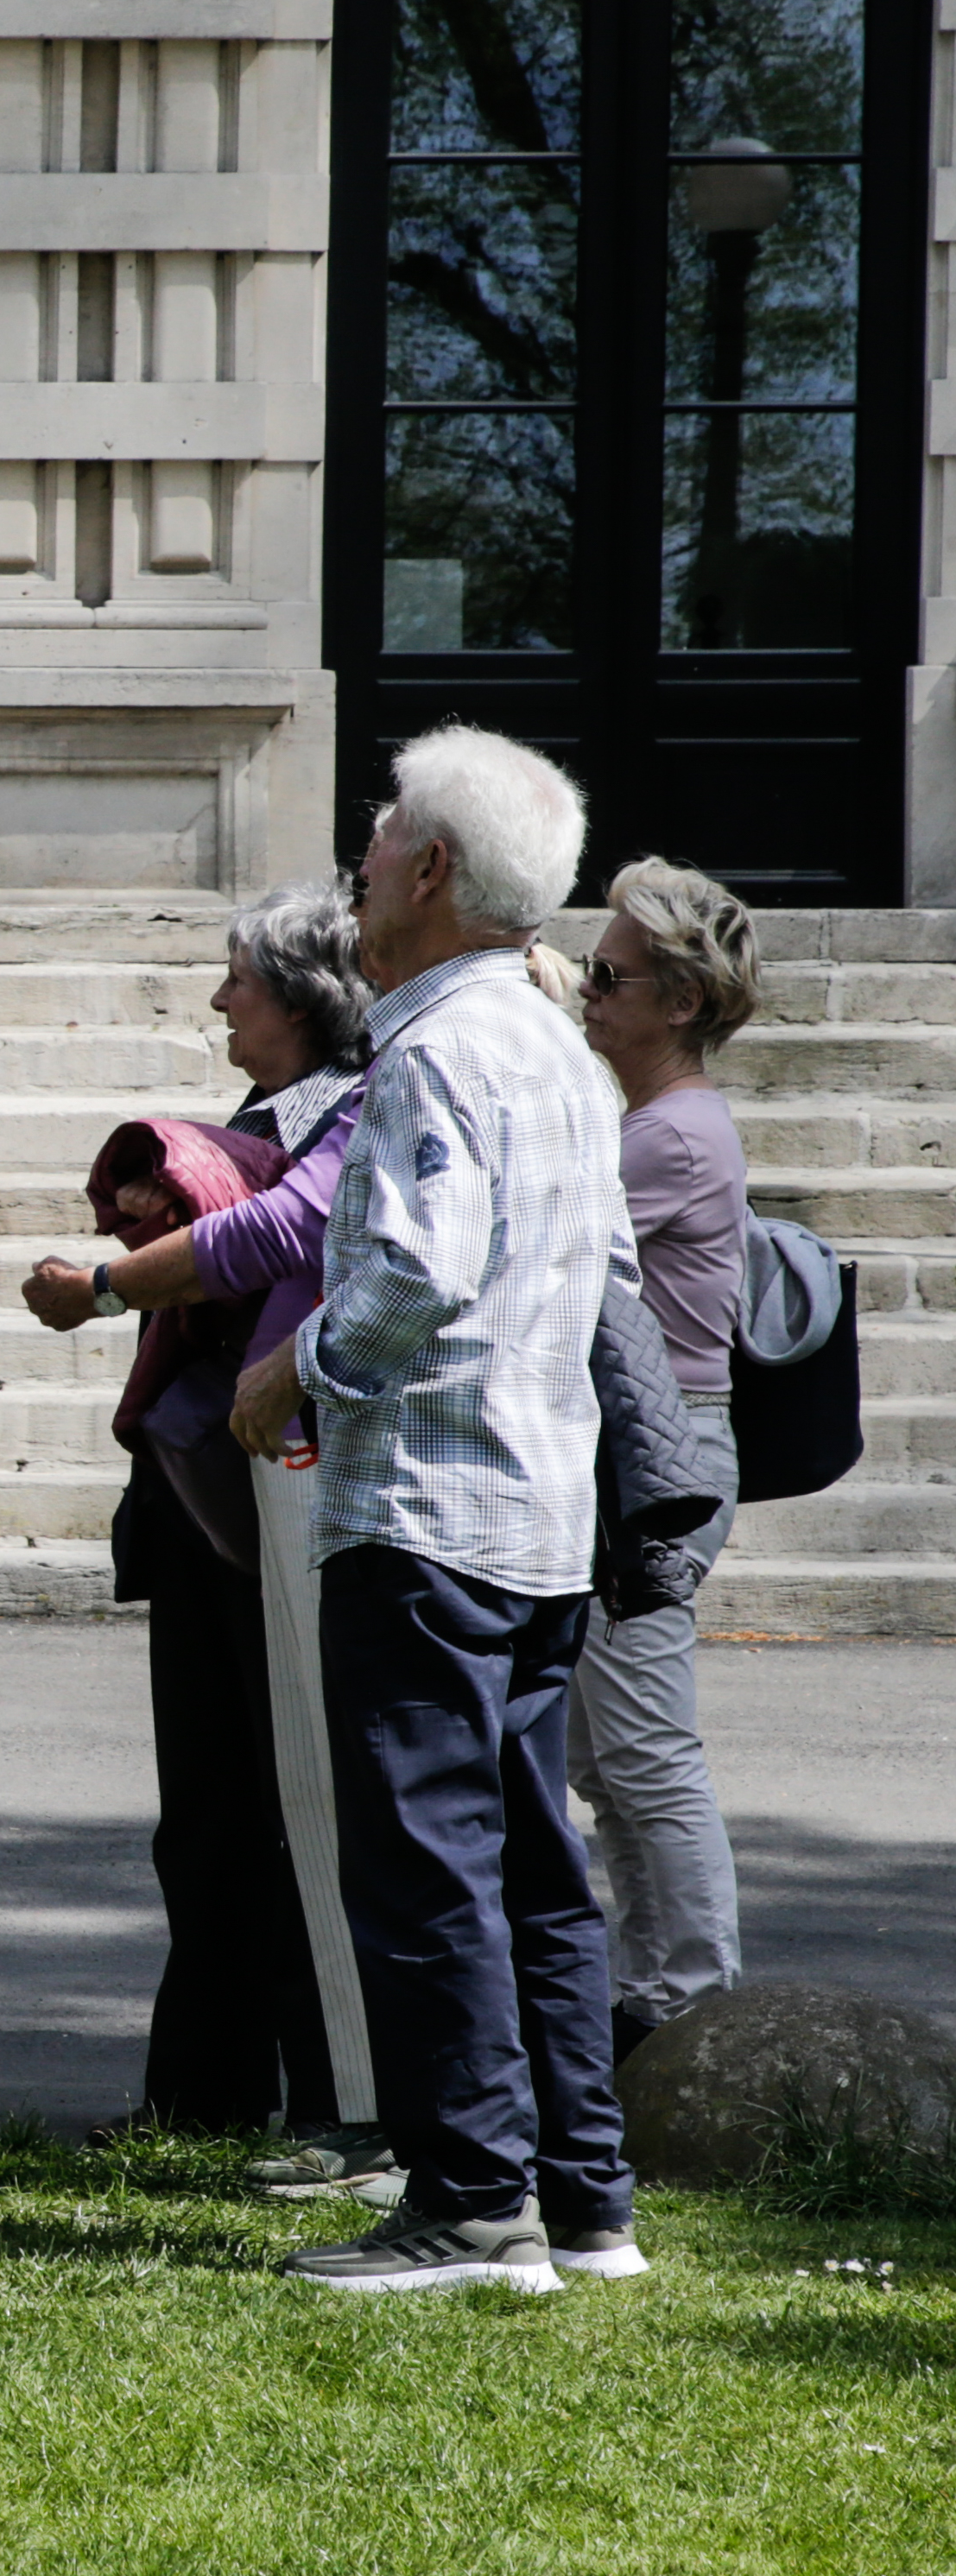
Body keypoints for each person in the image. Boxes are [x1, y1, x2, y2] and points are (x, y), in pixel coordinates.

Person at [231, 725, 642, 2293]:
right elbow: (598, 1282)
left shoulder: (439, 1046)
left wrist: (291, 1375)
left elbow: (406, 1271)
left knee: (422, 1863)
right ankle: (580, 2197)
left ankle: (470, 2205)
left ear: (433, 872)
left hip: (421, 1507)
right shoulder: (553, 1047)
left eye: (383, 825)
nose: (362, 849)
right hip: (538, 1512)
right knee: (533, 1858)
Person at [17, 881, 377, 2150]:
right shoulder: (259, 1113)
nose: (219, 998)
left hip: (283, 1490)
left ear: (296, 995)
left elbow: (279, 1235)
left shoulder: (360, 1104)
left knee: (284, 1805)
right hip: (206, 1492)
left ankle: (327, 2101)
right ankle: (205, 2092)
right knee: (210, 1811)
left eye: (238, 977)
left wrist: (108, 1279)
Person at [571, 858, 763, 2065]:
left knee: (642, 1745)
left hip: (663, 1457)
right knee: (601, 1746)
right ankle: (651, 1989)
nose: (583, 992)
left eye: (606, 975)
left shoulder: (672, 1136)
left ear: (678, 1001)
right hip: (641, 1449)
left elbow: (540, 1222)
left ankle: (694, 2000)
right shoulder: (647, 1120)